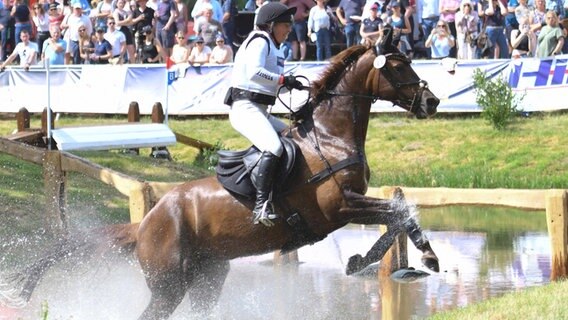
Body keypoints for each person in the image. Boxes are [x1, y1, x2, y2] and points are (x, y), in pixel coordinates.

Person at [227, 2, 303, 227]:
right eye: (284, 25)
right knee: (274, 147)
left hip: (260, 110)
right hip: (244, 109)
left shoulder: (275, 47)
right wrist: (282, 80)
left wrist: (293, 85)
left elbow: (272, 85)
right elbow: (254, 73)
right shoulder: (260, 39)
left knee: (293, 136)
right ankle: (261, 206)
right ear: (270, 25)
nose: (289, 29)